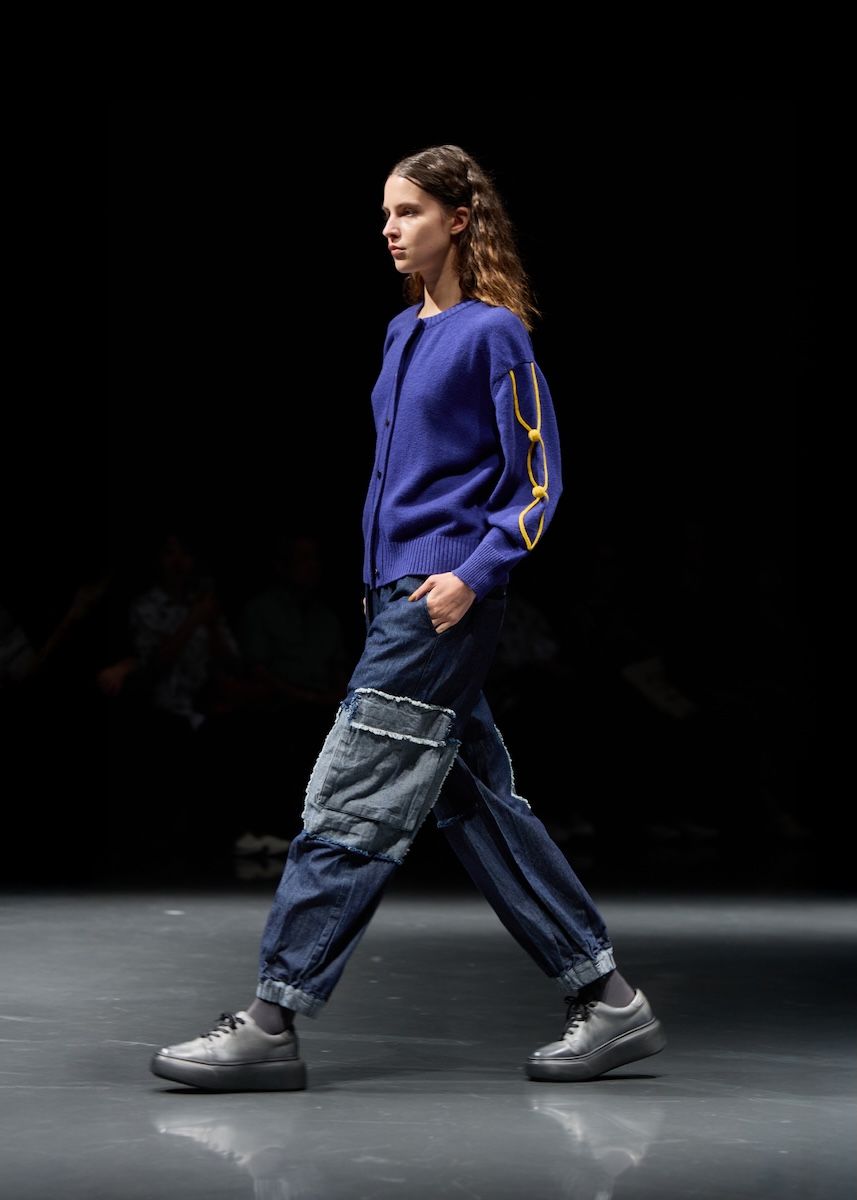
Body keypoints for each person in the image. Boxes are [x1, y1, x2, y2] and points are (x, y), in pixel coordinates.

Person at [150, 143, 667, 1091]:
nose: (388, 228)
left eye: (408, 211)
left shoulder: (493, 333)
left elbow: (537, 482)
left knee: (352, 795)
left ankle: (272, 1018)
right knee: (474, 807)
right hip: (394, 596)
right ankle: (609, 1000)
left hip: (440, 603)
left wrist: (471, 575)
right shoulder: (400, 333)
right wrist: (379, 583)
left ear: (458, 219)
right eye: (385, 214)